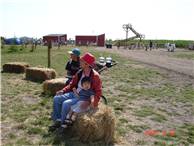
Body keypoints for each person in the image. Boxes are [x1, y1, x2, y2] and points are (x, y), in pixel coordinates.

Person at [49, 52, 102, 132]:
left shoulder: (95, 76)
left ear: (87, 64)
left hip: (83, 97)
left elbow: (98, 92)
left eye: (81, 61)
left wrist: (92, 102)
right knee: (57, 98)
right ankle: (57, 120)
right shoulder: (80, 72)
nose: (79, 62)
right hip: (74, 93)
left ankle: (63, 126)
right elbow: (72, 84)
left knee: (66, 103)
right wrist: (63, 90)